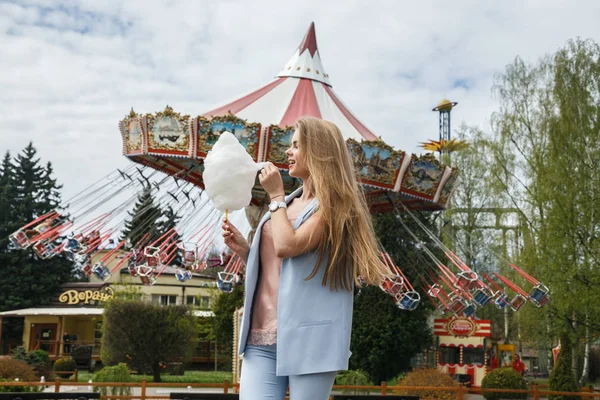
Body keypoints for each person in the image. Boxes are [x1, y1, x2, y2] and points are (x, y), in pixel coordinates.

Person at [222, 116, 391, 400]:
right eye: (290, 145)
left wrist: (275, 193)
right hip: (261, 337)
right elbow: (281, 266)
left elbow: (288, 245)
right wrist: (245, 251)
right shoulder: (289, 203)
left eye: (297, 145)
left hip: (311, 341)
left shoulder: (334, 206)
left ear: (319, 151)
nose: (288, 152)